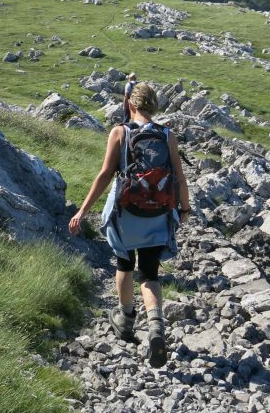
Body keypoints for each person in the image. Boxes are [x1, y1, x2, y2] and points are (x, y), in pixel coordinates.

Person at [68, 82, 191, 369]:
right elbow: (181, 179)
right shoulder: (167, 135)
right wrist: (184, 210)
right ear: (154, 105)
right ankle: (156, 329)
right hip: (158, 213)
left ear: (130, 105)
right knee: (149, 273)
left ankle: (125, 320)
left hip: (125, 213)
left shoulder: (120, 132)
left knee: (124, 264)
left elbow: (105, 174)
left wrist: (83, 210)